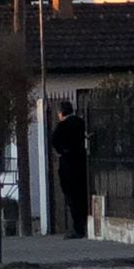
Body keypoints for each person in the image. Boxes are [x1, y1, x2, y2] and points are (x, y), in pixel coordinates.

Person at [51, 100, 89, 239]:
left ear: (61, 113)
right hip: (82, 161)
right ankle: (84, 224)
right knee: (82, 195)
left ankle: (77, 228)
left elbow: (54, 141)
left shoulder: (62, 126)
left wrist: (63, 151)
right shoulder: (81, 122)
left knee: (71, 197)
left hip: (68, 163)